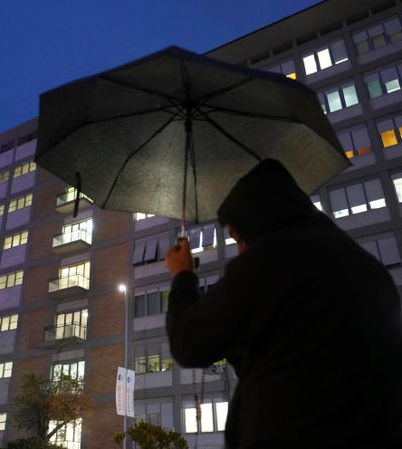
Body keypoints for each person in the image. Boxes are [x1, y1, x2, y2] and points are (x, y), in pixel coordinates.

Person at [165, 159, 402, 448]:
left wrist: (183, 275)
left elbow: (188, 343)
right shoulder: (365, 266)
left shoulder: (273, 256)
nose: (241, 250)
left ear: (259, 221)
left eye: (239, 238)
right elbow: (294, 350)